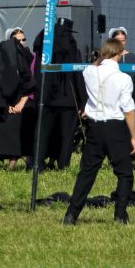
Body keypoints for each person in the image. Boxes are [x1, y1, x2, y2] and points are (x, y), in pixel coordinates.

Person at [63, 40, 135, 226]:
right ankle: (120, 214)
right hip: (115, 127)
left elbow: (94, 65)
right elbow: (128, 110)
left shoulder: (89, 72)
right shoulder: (123, 78)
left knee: (87, 173)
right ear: (118, 54)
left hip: (95, 128)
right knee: (124, 173)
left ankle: (71, 214)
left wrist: (100, 57)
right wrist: (134, 136)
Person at [33, 18, 84, 170]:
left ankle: (39, 164)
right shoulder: (72, 47)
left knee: (42, 133)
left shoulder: (43, 48)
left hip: (46, 97)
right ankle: (63, 164)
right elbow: (77, 76)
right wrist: (82, 101)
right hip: (68, 99)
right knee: (67, 135)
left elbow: (37, 73)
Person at [0, 27, 34, 168]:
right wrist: (6, 106)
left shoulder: (30, 58)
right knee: (8, 131)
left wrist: (21, 103)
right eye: (17, 40)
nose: (21, 42)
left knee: (25, 131)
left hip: (25, 101)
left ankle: (28, 161)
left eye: (23, 39)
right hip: (6, 104)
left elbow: (32, 83)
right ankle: (11, 163)